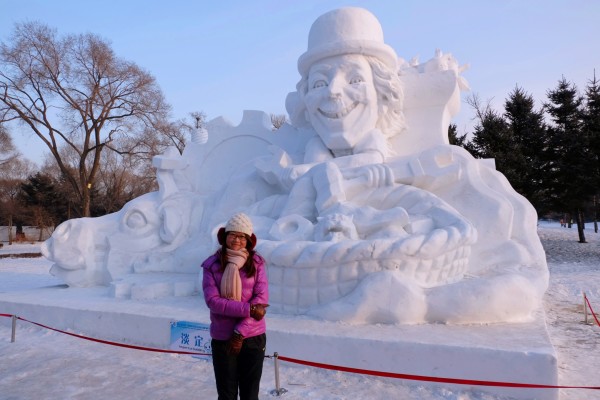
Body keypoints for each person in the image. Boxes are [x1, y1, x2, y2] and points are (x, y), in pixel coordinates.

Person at [202, 212, 269, 400]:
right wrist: (248, 309)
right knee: (226, 394)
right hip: (223, 337)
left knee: (250, 394)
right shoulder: (212, 265)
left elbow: (261, 299)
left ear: (248, 240)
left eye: (242, 236)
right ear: (225, 236)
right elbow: (213, 302)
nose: (237, 240)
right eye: (233, 235)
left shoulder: (257, 264)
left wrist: (240, 332)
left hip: (252, 336)